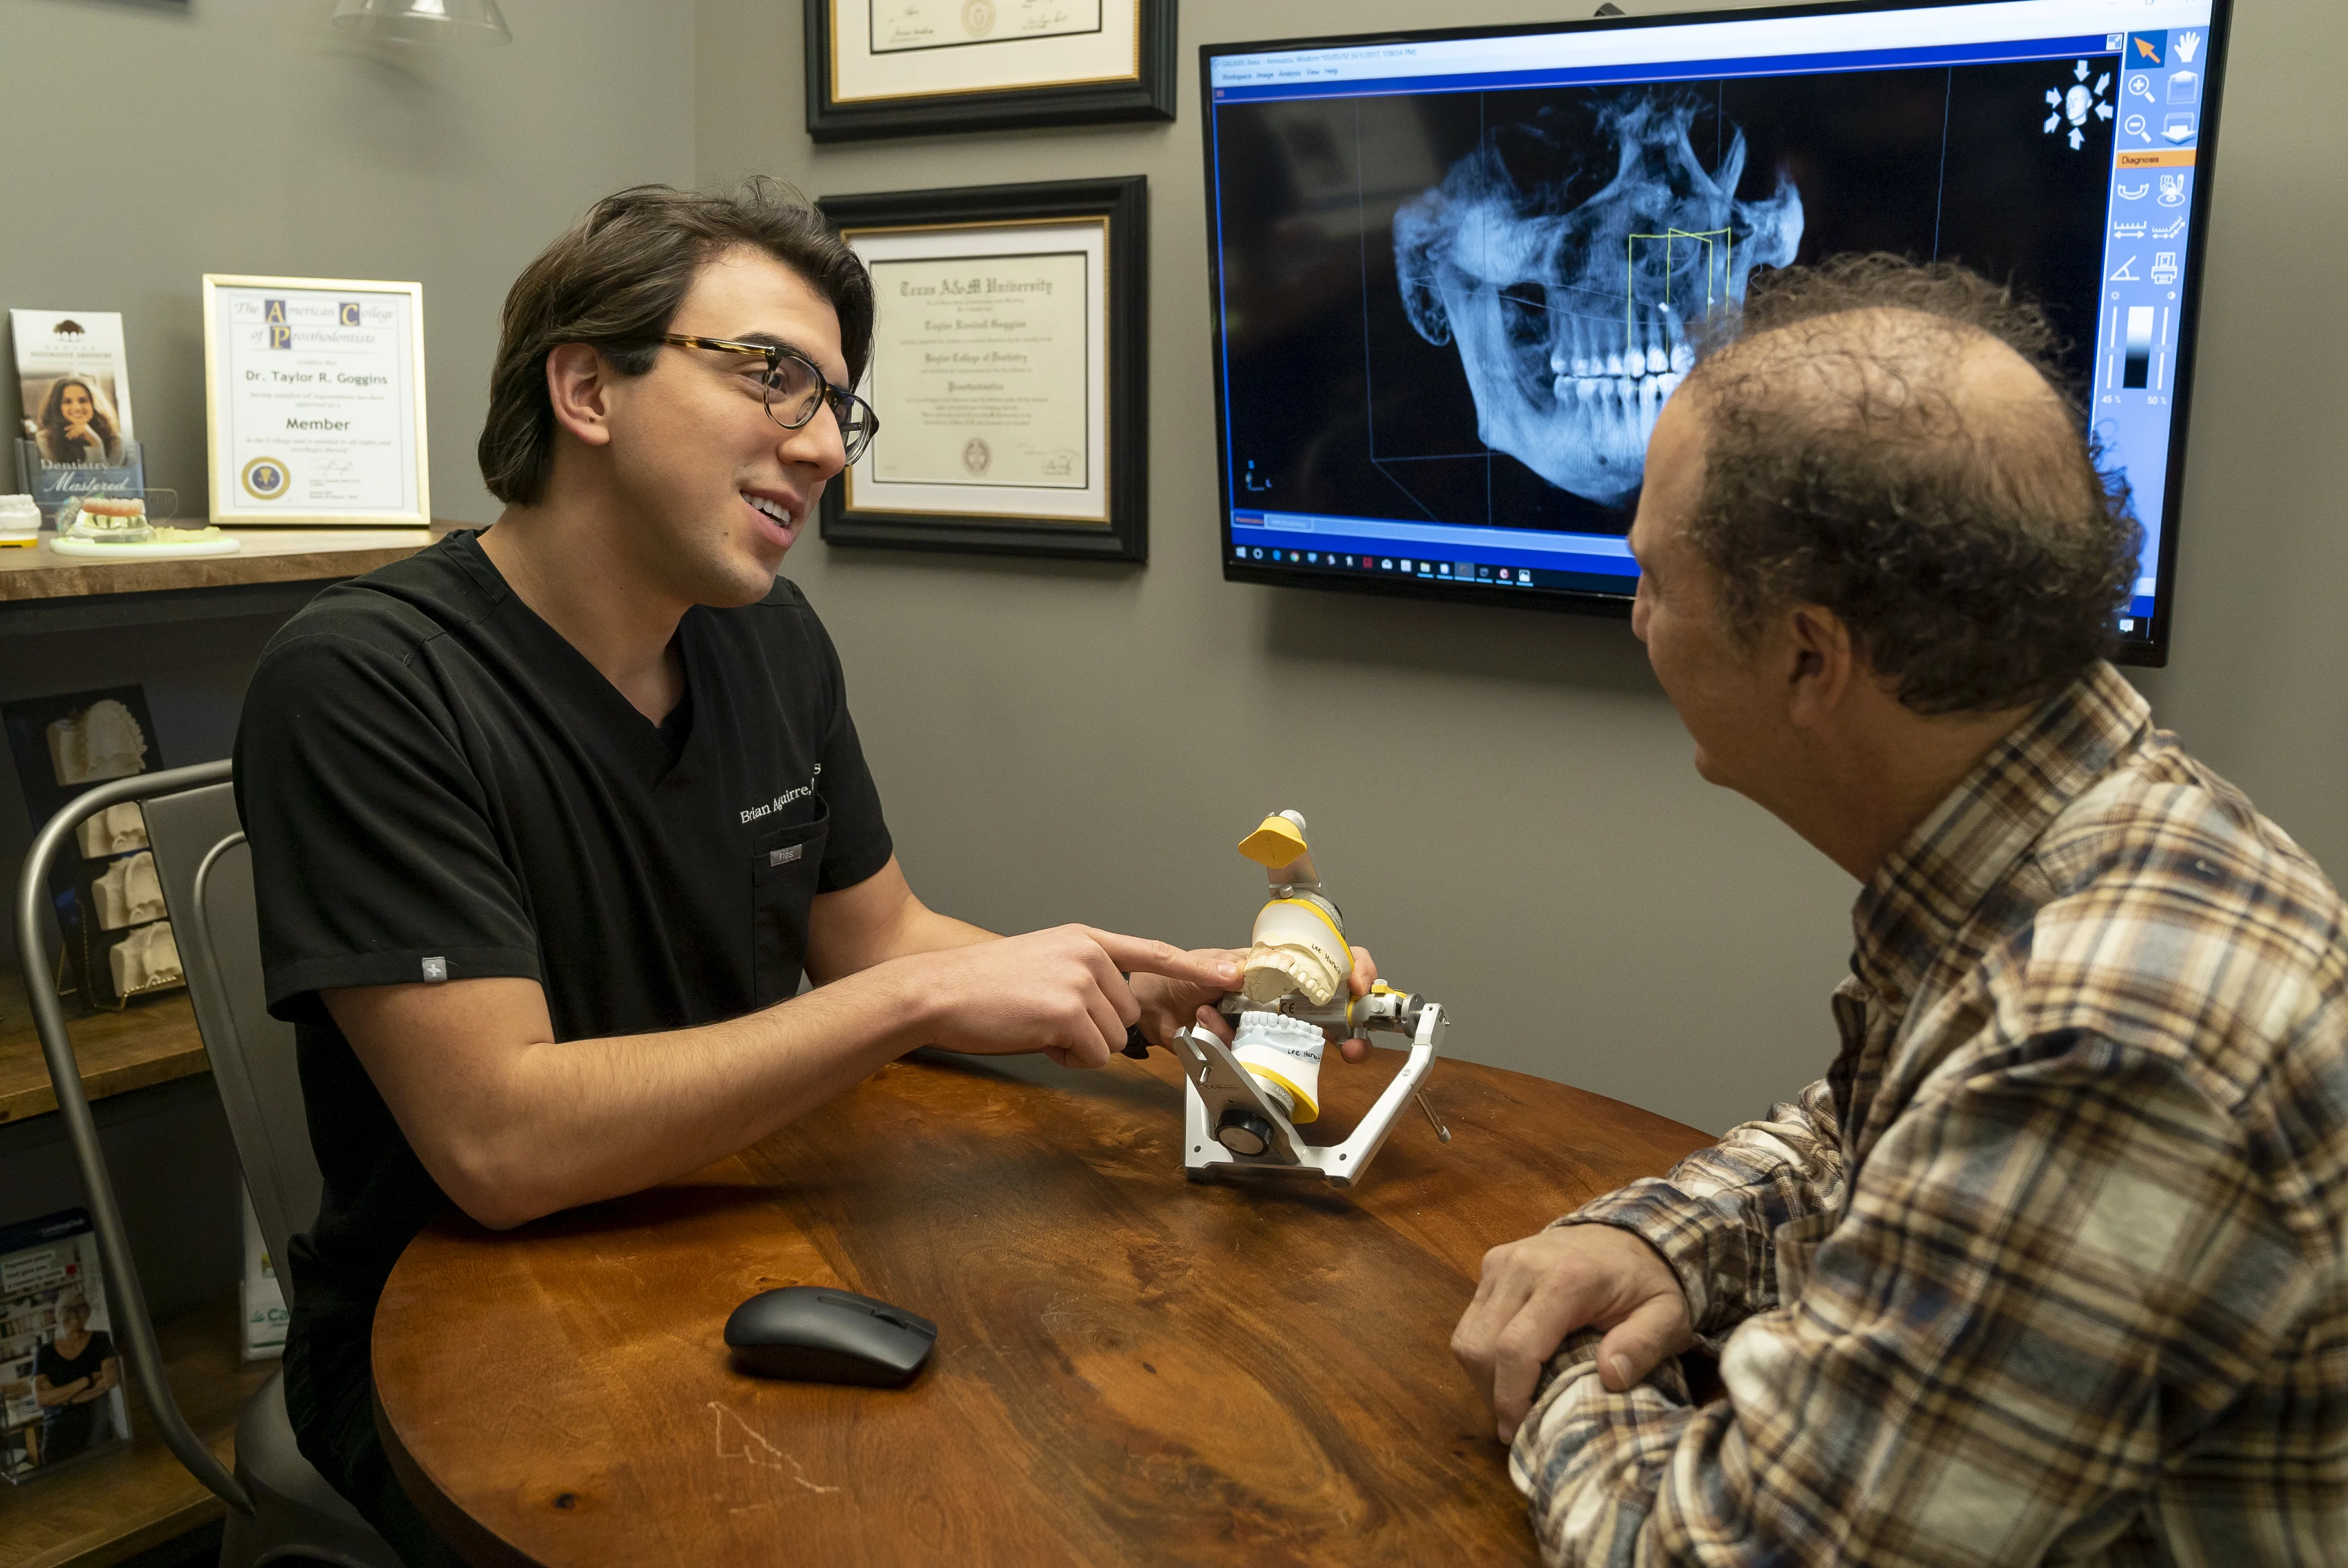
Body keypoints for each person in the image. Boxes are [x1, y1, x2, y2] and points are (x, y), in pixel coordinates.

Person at [234, 182, 1370, 1564]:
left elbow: (877, 936)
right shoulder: (363, 681)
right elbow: (500, 1142)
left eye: (841, 404)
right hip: (459, 1331)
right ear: (588, 386)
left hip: (728, 1233)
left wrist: (1145, 990)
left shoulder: (767, 641)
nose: (826, 445)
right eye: (775, 377)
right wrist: (919, 1004)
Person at [1450, 256, 2345, 1564]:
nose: (1635, 619)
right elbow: (1879, 1141)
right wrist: (1660, 1240)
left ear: (1809, 656)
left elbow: (1734, 1550)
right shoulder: (2090, 831)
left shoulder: (2101, 1040)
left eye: (1650, 578)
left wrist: (1572, 1366)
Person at [32, 1293, 120, 1466]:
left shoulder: (101, 1340)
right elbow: (41, 1399)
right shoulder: (45, 1353)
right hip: (58, 1439)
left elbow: (110, 1381)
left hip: (97, 1429)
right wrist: (87, 1381)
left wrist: (63, 1398)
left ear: (88, 1312)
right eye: (68, 1310)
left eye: (81, 1308)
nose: (74, 1315)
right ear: (58, 1316)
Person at [32, 376, 125, 465]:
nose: (77, 408)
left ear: (94, 405)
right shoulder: (45, 439)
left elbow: (105, 480)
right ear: (57, 407)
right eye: (67, 402)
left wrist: (95, 443)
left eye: (83, 401)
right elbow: (59, 479)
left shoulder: (116, 441)